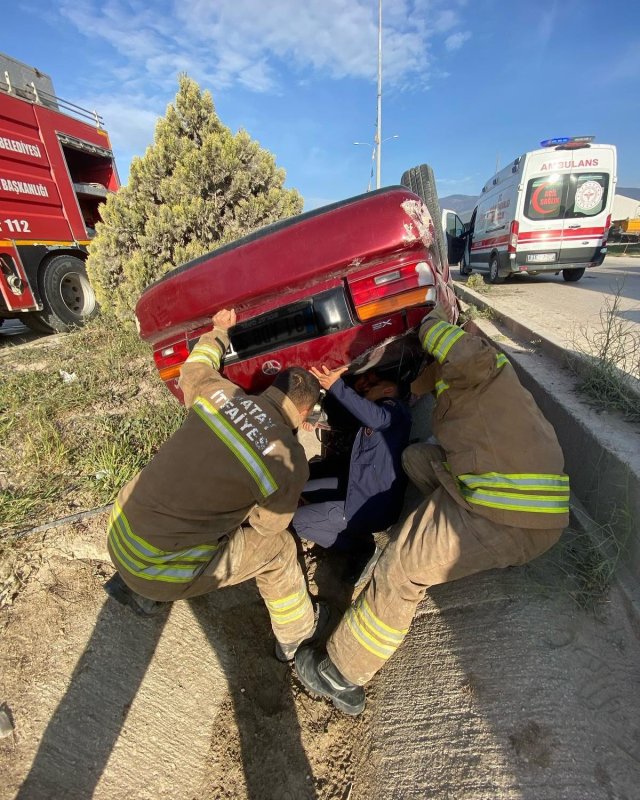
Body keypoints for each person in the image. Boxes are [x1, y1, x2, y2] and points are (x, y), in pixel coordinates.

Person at [295, 305, 571, 714]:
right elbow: (413, 392)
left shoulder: (477, 363)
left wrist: (426, 322)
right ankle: (476, 549)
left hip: (504, 511)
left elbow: (454, 349)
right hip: (517, 497)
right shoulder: (475, 386)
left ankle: (342, 674)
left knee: (400, 568)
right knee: (416, 459)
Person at [104, 308, 326, 662]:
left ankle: (137, 587)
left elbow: (194, 368)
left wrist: (219, 331)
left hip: (119, 528)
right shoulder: (288, 459)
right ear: (303, 414)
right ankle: (296, 638)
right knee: (278, 549)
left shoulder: (219, 394)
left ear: (273, 387)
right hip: (157, 567)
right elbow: (269, 526)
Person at [291, 365, 412, 582]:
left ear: (388, 391)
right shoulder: (380, 420)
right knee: (299, 488)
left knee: (299, 521)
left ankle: (360, 548)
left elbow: (377, 417)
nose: (367, 389)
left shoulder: (395, 410)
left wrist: (336, 385)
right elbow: (341, 415)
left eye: (374, 385)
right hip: (356, 487)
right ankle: (335, 524)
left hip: (369, 507)